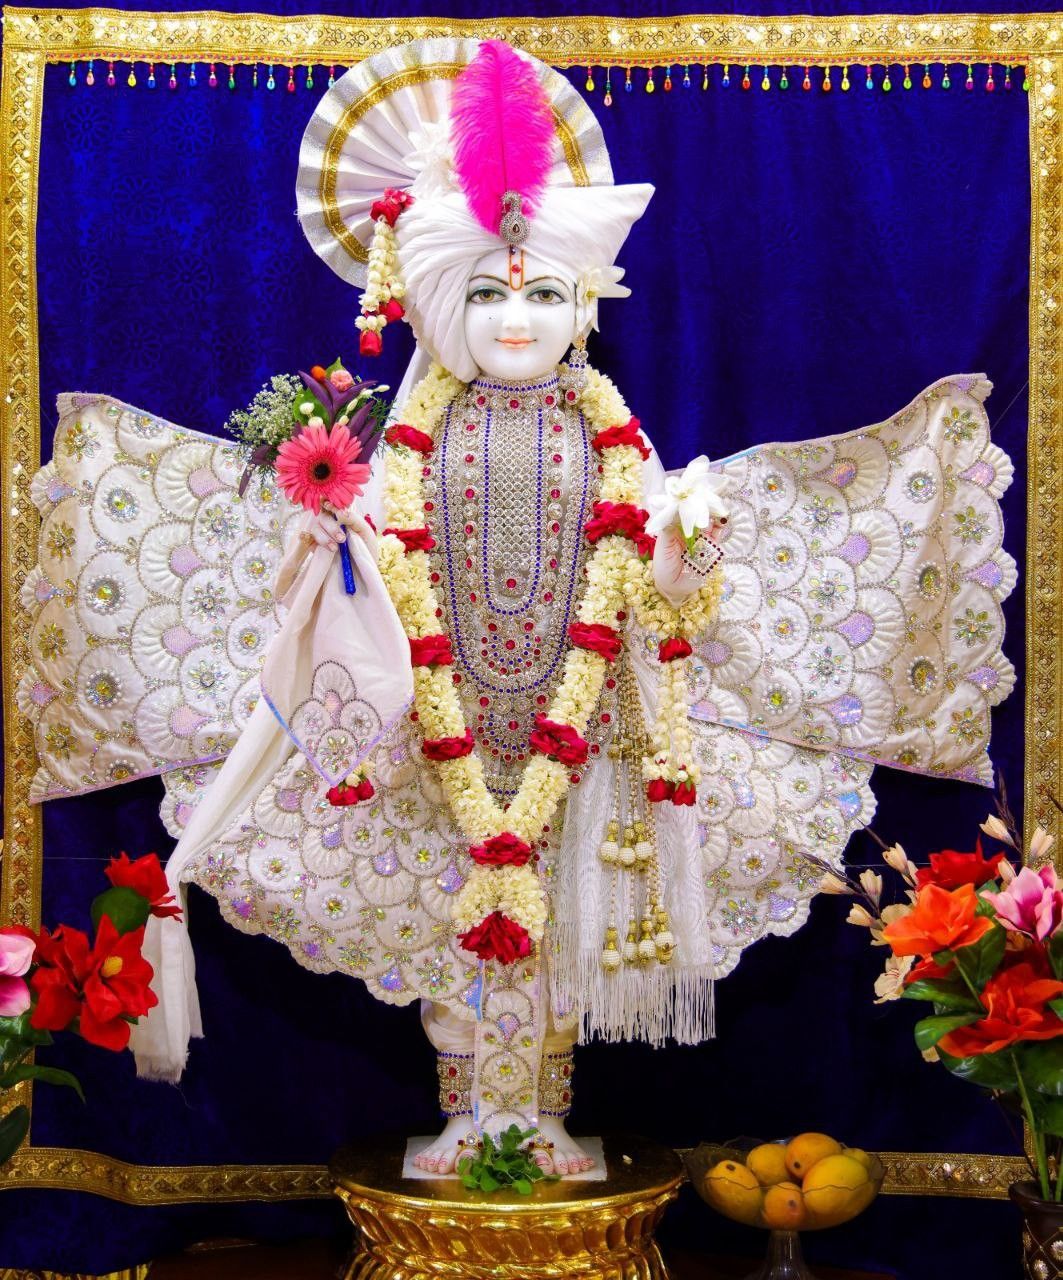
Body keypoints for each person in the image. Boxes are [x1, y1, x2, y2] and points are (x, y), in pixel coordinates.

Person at [21, 37, 1016, 1180]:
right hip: (417, 742)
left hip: (585, 734)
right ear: (434, 299)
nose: (514, 320)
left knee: (565, 936)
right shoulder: (395, 437)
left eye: (544, 293)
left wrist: (688, 546)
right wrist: (324, 549)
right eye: (486, 293)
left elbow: (658, 578)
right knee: (443, 934)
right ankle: (473, 1117)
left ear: (583, 306)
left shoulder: (607, 423)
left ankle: (536, 1115)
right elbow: (351, 565)